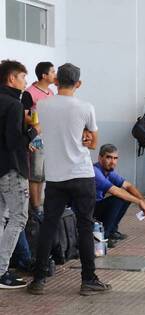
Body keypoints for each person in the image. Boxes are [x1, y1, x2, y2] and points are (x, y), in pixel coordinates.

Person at [28, 63, 111, 296]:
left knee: (49, 225)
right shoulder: (85, 107)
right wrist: (84, 137)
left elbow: (39, 128)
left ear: (55, 82)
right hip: (81, 174)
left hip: (55, 176)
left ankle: (39, 280)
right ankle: (88, 280)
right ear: (79, 83)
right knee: (85, 226)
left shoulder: (43, 105)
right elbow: (93, 142)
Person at [0, 60, 39, 289]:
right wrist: (33, 131)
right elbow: (14, 142)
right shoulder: (14, 104)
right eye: (23, 77)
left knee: (2, 216)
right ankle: (2, 270)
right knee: (18, 217)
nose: (25, 82)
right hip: (13, 169)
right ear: (12, 78)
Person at [93, 144, 145, 248]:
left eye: (115, 158)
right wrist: (139, 202)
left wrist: (142, 200)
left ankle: (111, 231)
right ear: (100, 158)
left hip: (96, 207)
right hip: (87, 210)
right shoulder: (95, 171)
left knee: (126, 197)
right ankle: (104, 236)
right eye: (109, 157)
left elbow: (128, 185)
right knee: (119, 199)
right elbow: (115, 191)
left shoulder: (109, 172)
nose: (113, 162)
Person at [25, 62, 56, 215]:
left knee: (44, 174)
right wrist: (37, 121)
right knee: (35, 174)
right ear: (44, 75)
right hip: (36, 137)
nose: (55, 74)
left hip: (49, 138)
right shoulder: (29, 92)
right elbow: (23, 116)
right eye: (52, 71)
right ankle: (35, 207)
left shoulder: (51, 92)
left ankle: (41, 205)